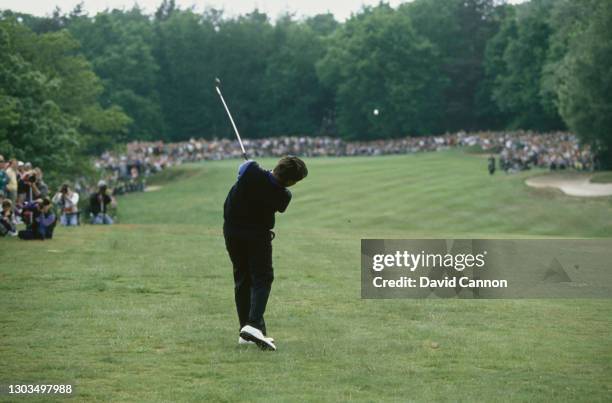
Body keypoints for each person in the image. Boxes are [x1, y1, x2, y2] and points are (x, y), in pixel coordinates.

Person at [223, 156, 308, 351]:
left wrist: (254, 163)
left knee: (242, 278)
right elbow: (275, 186)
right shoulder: (283, 196)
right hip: (257, 237)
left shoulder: (251, 171)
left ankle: (246, 330)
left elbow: (243, 168)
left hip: (232, 232)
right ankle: (253, 325)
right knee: (262, 278)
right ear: (290, 181)